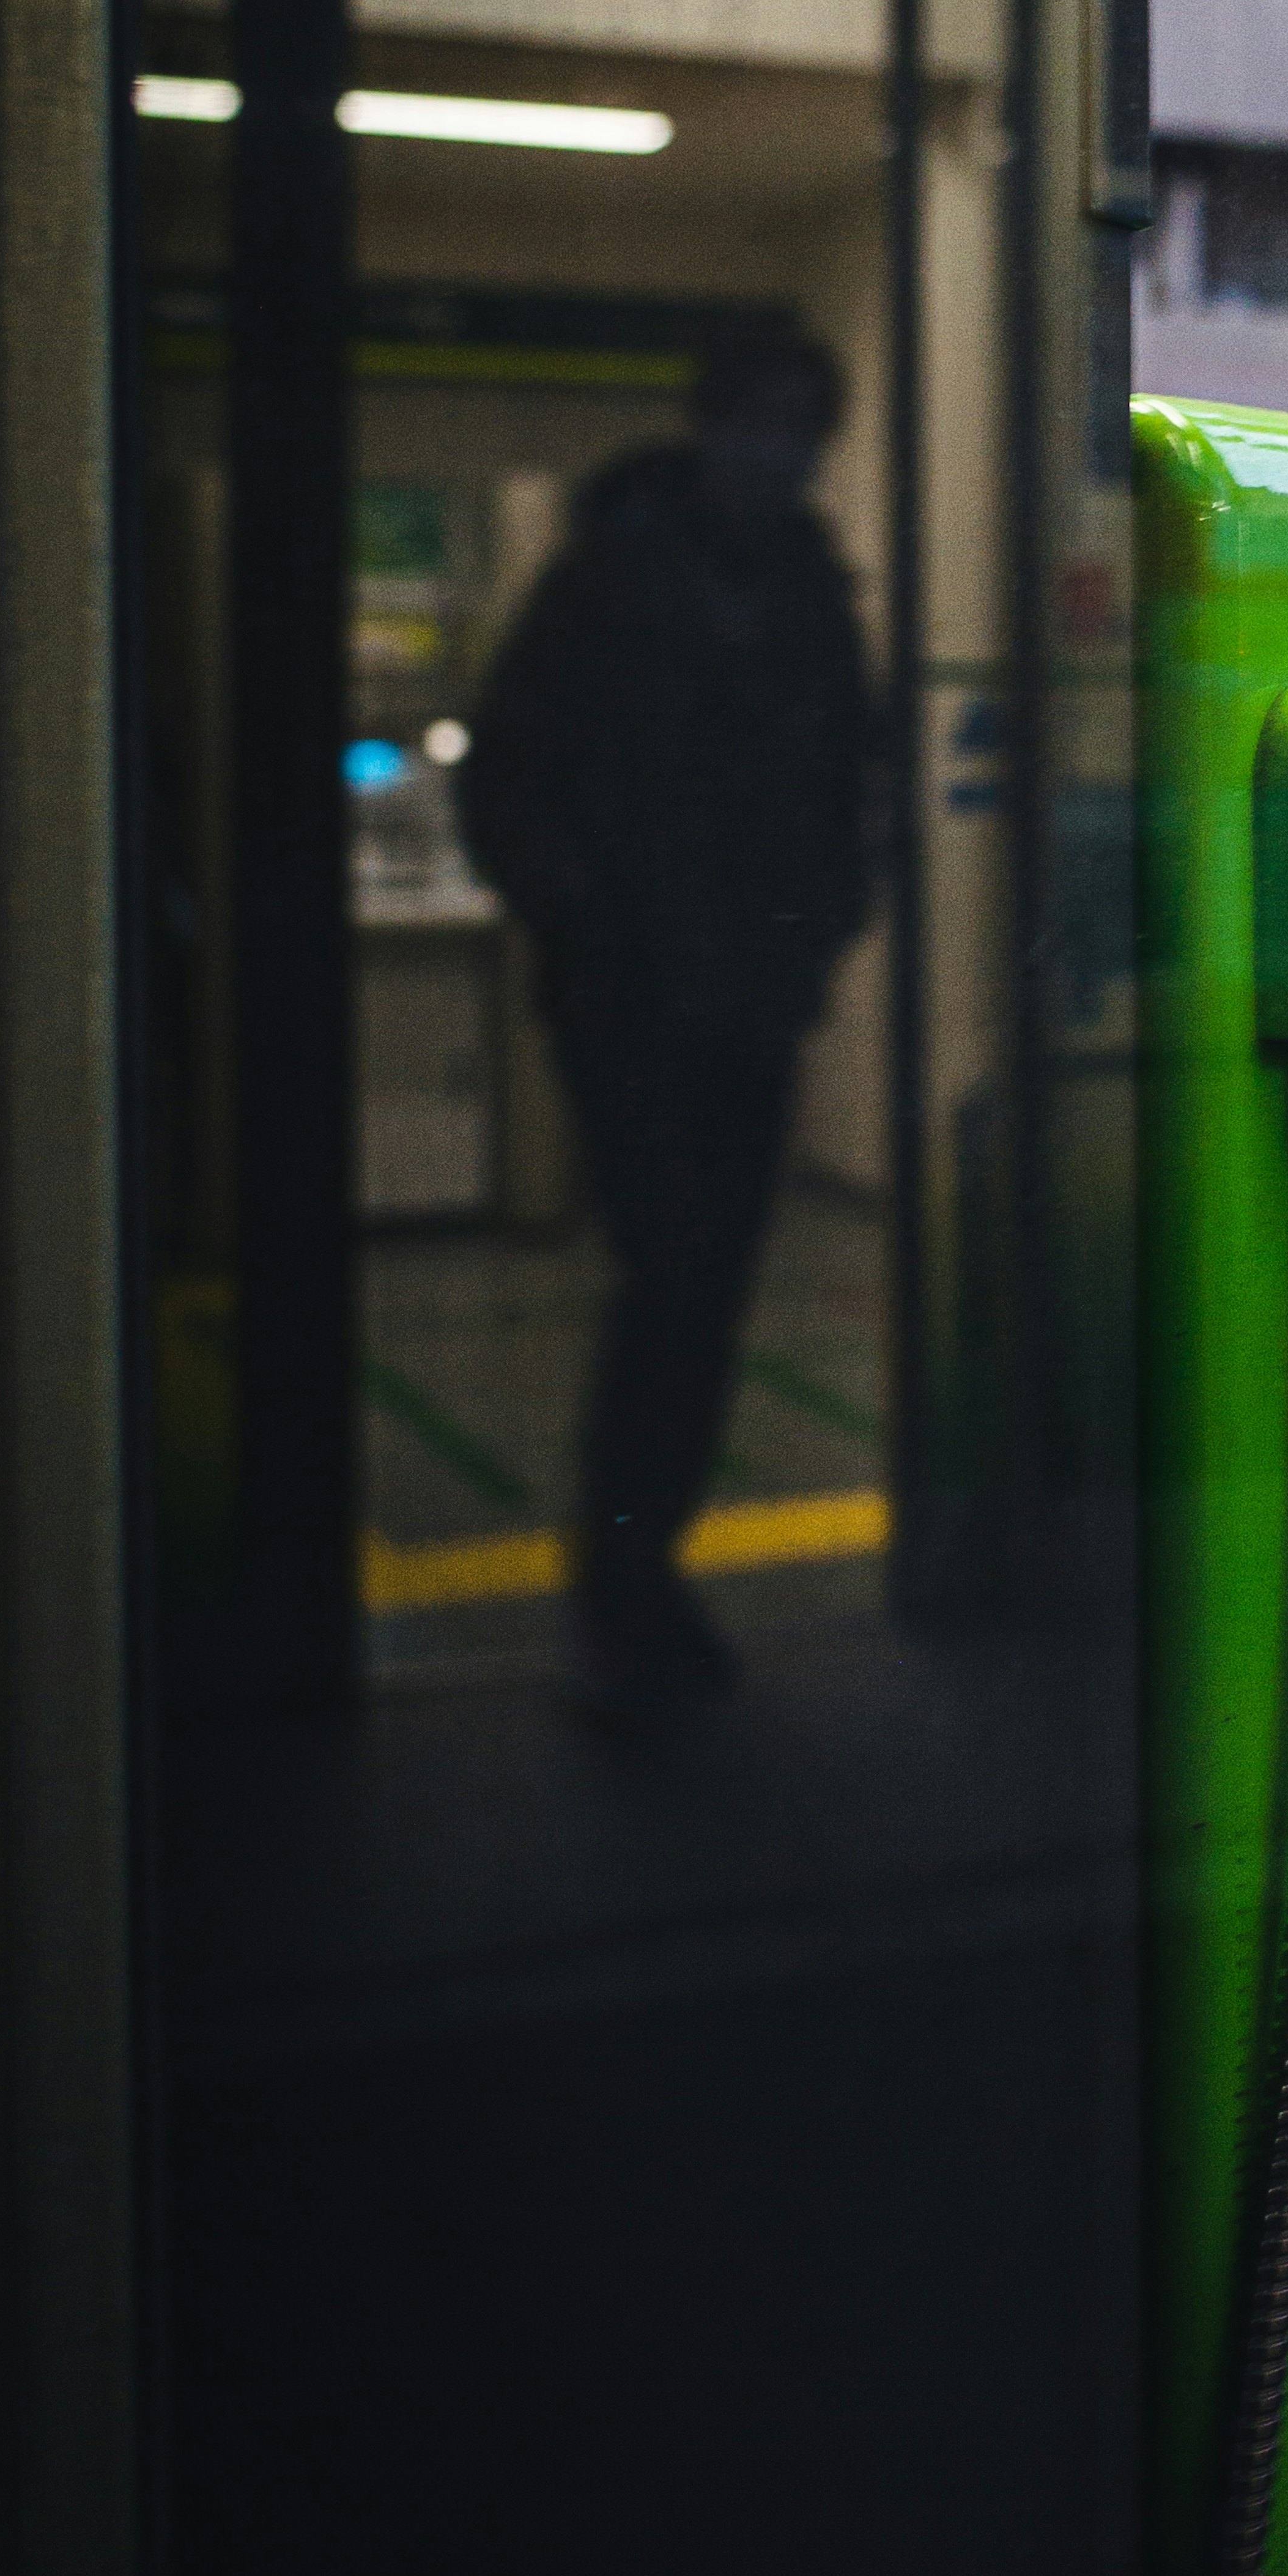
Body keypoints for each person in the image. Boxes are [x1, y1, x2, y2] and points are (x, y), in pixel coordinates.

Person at [460, 312, 874, 1720]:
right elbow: (504, 777)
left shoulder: (814, 594)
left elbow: (852, 792)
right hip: (632, 1005)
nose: (780, 456)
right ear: (709, 422)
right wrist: (586, 918)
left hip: (749, 1010)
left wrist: (814, 937)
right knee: (671, 1290)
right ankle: (623, 1587)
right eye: (761, 420)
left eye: (802, 431)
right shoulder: (606, 580)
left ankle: (642, 1579)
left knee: (702, 1305)